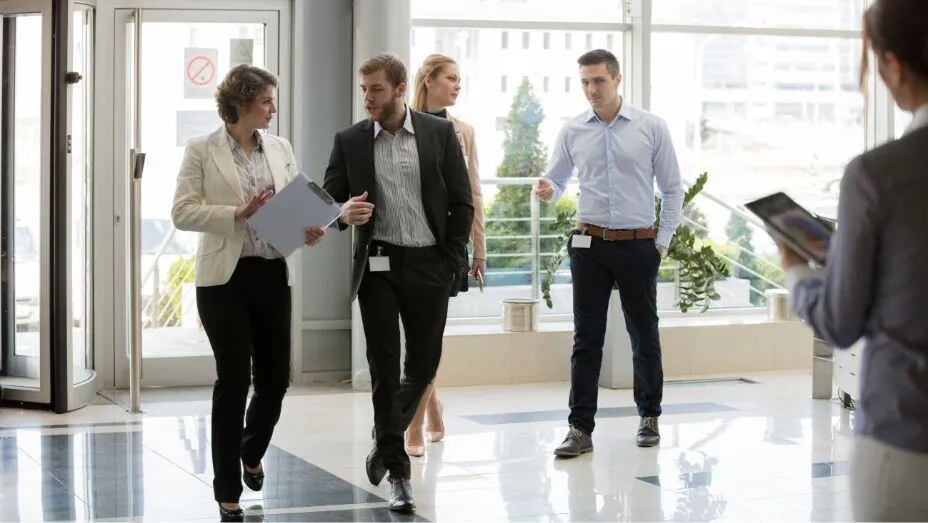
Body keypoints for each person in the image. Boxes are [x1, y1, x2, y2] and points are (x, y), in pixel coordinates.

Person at [778, 1, 928, 519]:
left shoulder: (877, 175)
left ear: (893, 66)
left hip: (905, 438)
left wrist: (798, 270)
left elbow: (840, 323)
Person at [171, 64, 326, 522]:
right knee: (234, 379)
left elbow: (297, 206)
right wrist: (237, 212)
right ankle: (226, 491)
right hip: (224, 279)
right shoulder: (201, 149)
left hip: (273, 272)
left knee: (276, 380)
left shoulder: (280, 148)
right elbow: (182, 212)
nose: (273, 109)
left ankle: (250, 448)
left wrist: (308, 229)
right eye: (266, 102)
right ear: (240, 103)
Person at [322, 52, 473, 512]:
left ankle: (383, 438)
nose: (367, 98)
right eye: (364, 89)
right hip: (379, 266)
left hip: (430, 264)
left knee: (424, 367)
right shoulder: (349, 140)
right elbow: (328, 200)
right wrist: (341, 213)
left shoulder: (439, 133)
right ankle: (399, 475)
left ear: (400, 90)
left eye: (377, 90)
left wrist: (450, 260)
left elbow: (461, 202)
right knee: (385, 370)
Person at [533, 49, 684, 457]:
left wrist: (662, 242)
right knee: (586, 339)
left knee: (643, 333)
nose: (591, 90)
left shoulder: (651, 127)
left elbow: (673, 189)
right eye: (584, 82)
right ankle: (579, 428)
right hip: (589, 244)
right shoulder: (573, 131)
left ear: (617, 80)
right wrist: (549, 188)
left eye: (598, 81)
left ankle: (649, 416)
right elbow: (558, 178)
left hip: (638, 245)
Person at [404, 53, 487, 457]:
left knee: (427, 337)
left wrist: (479, 249)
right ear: (428, 80)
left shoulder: (463, 132)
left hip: (443, 248)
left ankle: (414, 426)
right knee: (418, 339)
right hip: (403, 245)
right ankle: (433, 407)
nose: (457, 85)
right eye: (450, 78)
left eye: (459, 79)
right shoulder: (399, 124)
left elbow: (472, 194)